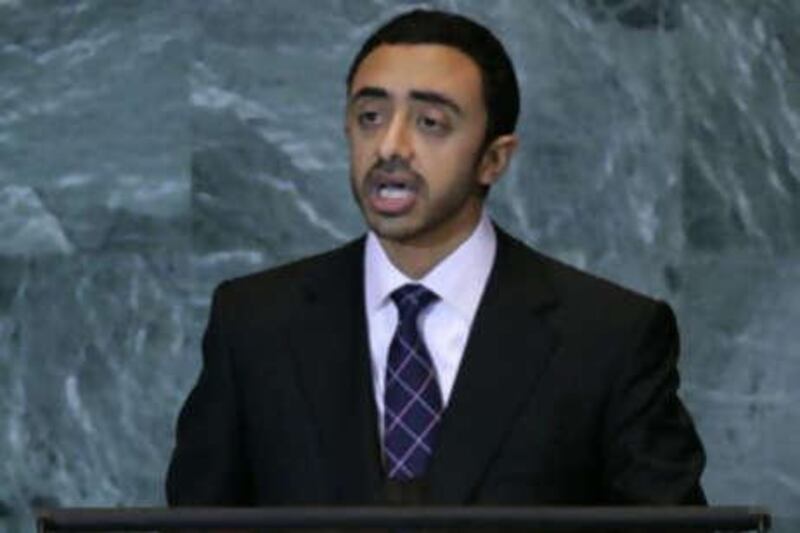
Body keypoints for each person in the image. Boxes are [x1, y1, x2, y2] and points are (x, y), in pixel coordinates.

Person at [166, 9, 706, 510]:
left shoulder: (609, 335)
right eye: (371, 117)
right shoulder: (255, 322)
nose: (390, 147)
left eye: (430, 123)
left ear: (494, 159)